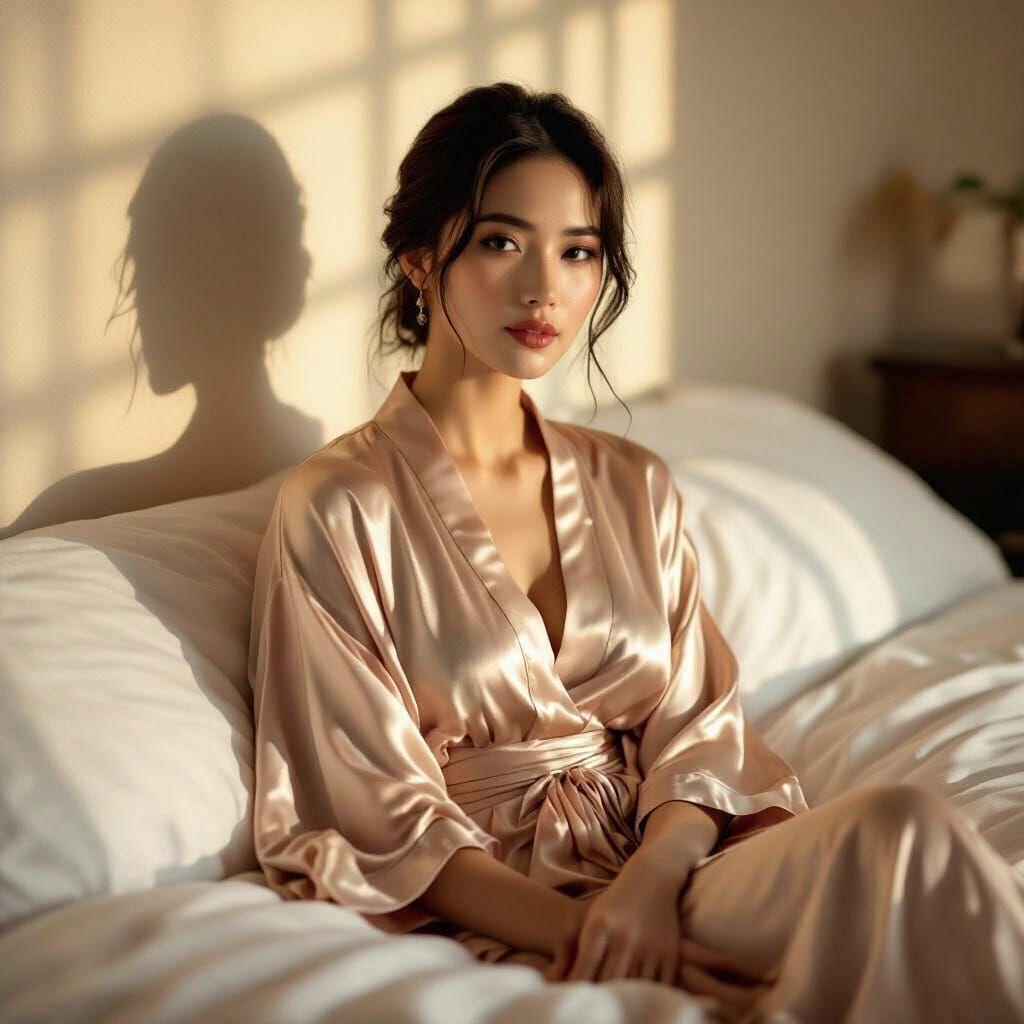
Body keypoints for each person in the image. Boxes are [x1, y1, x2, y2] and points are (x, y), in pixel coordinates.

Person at [248, 82, 1024, 1022]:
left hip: (673, 865)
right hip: (515, 891)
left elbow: (698, 729)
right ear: (419, 257)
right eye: (502, 242)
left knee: (905, 829)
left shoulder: (632, 482)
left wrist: (652, 883)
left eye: (578, 252)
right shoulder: (339, 505)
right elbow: (370, 806)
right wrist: (587, 931)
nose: (546, 290)